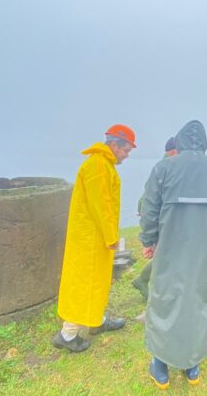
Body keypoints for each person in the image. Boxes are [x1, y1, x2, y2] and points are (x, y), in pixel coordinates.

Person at [139, 120, 207, 389]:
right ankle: (191, 364)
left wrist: (148, 240)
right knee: (198, 298)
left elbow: (149, 209)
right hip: (204, 250)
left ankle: (160, 363)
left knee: (164, 298)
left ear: (180, 141)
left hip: (169, 247)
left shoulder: (163, 168)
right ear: (204, 143)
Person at [51, 124, 137, 353]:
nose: (127, 155)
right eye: (126, 150)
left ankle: (97, 320)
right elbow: (102, 207)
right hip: (90, 239)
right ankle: (67, 335)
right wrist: (111, 238)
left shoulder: (102, 164)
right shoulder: (98, 165)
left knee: (96, 281)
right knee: (84, 284)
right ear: (115, 144)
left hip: (92, 237)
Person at [131, 137, 178, 300]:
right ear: (173, 152)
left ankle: (143, 281)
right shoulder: (167, 167)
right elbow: (150, 196)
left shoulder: (166, 166)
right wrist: (145, 212)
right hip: (160, 219)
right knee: (166, 255)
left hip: (162, 217)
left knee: (167, 254)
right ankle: (144, 281)